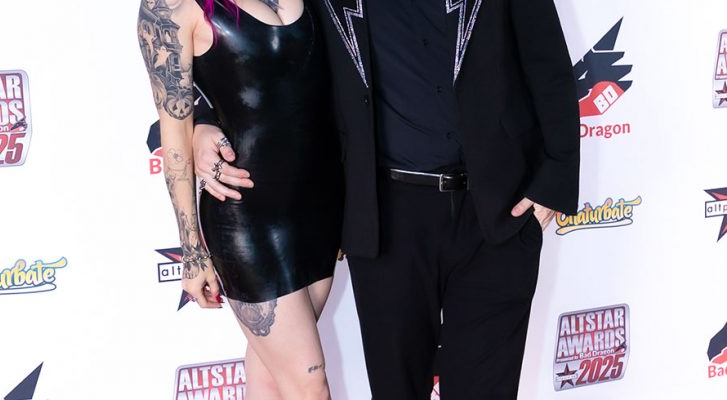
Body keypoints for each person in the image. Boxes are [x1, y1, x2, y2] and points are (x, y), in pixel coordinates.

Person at [194, 0, 581, 398]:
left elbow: (547, 61)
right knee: (396, 388)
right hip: (386, 217)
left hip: (498, 211)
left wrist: (555, 177)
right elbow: (260, 48)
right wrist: (202, 120)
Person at [137, 0, 343, 399]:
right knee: (309, 385)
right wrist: (192, 252)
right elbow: (175, 138)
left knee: (269, 376)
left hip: (320, 211)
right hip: (248, 219)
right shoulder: (170, 7)